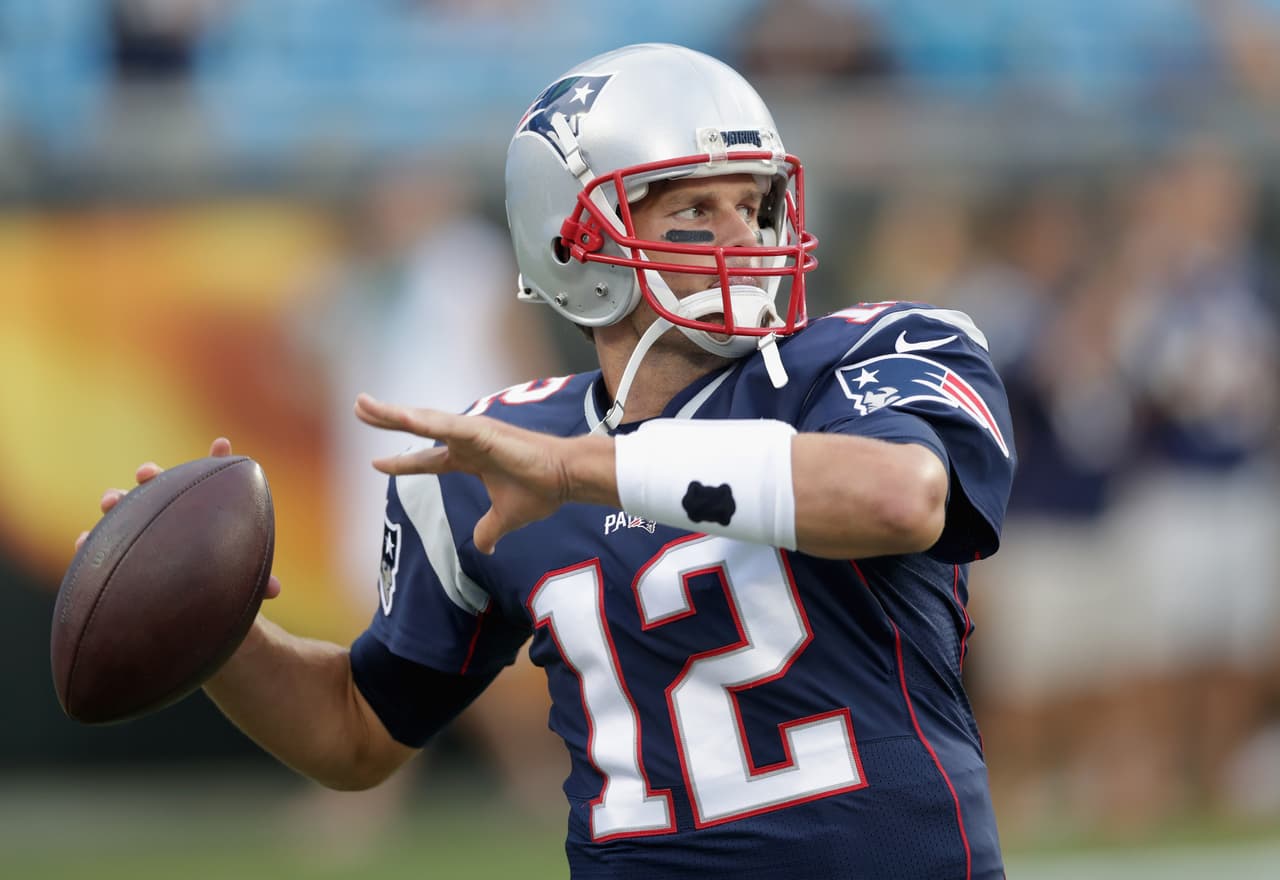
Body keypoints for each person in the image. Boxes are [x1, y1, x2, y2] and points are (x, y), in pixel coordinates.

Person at [82, 43, 1016, 879]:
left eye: (755, 201)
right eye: (695, 209)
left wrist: (583, 470)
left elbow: (902, 498)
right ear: (575, 238)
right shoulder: (494, 460)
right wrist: (215, 629)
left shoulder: (874, 353)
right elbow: (358, 733)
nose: (746, 239)